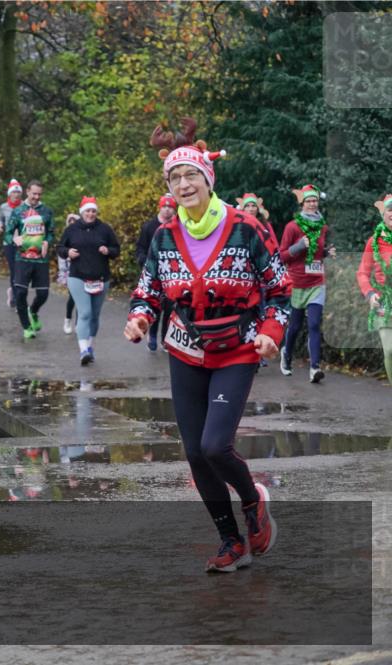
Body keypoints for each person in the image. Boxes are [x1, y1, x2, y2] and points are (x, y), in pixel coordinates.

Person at [126, 118, 289, 573]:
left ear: (207, 179)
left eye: (190, 175)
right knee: (195, 452)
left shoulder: (246, 228)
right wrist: (140, 317)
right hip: (185, 351)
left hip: (237, 348)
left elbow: (279, 291)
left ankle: (254, 500)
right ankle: (231, 542)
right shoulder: (164, 237)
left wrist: (271, 334)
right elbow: (148, 290)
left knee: (216, 445)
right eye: (174, 178)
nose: (182, 183)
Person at [279, 184, 335, 383]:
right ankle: (286, 356)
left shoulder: (322, 226)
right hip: (296, 282)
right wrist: (299, 246)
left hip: (317, 282)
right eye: (309, 201)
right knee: (294, 328)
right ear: (302, 203)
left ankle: (314, 368)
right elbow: (282, 255)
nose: (312, 204)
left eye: (315, 201)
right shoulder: (292, 227)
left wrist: (327, 253)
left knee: (313, 324)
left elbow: (318, 252)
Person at [57, 196, 121, 364]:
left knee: (94, 315)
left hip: (101, 277)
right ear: (82, 212)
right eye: (88, 211)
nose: (91, 214)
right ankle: (83, 349)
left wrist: (108, 250)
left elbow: (116, 249)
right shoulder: (72, 229)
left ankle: (89, 346)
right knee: (84, 313)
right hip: (77, 276)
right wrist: (67, 252)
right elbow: (60, 248)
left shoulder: (105, 229)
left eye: (93, 211)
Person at [6, 180, 55, 339]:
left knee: (43, 294)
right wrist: (15, 239)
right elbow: (8, 232)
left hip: (40, 259)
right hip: (22, 258)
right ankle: (26, 327)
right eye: (34, 193)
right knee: (20, 293)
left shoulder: (46, 211)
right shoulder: (18, 211)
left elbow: (51, 232)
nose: (36, 197)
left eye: (39, 194)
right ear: (27, 191)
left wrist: (48, 241)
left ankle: (33, 311)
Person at [236, 193, 276, 367]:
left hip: (261, 279)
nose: (251, 209)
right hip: (241, 279)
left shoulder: (265, 226)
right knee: (245, 314)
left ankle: (258, 351)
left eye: (253, 206)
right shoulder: (236, 226)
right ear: (242, 209)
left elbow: (274, 248)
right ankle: (246, 350)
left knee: (260, 313)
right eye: (248, 206)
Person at [357, 194, 392, 383]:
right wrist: (370, 294)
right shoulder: (374, 241)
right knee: (390, 350)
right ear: (383, 213)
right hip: (384, 300)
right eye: (390, 209)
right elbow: (362, 273)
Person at [135, 194, 177, 351]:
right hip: (153, 273)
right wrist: (143, 259)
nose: (167, 210)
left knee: (170, 308)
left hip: (171, 274)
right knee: (156, 307)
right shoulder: (149, 226)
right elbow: (140, 247)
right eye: (165, 207)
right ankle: (152, 336)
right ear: (160, 207)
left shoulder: (177, 226)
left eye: (170, 207)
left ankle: (166, 338)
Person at [0, 178, 23, 308]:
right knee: (14, 270)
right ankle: (17, 299)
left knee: (20, 271)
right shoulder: (4, 207)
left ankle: (14, 293)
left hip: (22, 243)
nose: (16, 195)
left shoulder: (24, 206)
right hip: (8, 242)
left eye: (18, 193)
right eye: (14, 192)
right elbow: (0, 219)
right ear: (9, 194)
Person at [58, 213, 78, 334]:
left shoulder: (84, 238)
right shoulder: (66, 239)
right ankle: (68, 319)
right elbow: (61, 257)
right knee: (73, 297)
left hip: (84, 272)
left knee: (82, 299)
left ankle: (79, 323)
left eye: (74, 223)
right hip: (70, 273)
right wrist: (63, 275)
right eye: (70, 224)